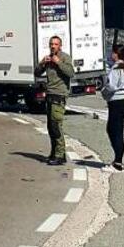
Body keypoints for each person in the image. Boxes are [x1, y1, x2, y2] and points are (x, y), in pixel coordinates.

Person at [35, 35, 74, 165]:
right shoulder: (48, 59)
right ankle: (54, 152)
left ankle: (60, 154)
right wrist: (42, 64)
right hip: (50, 94)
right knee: (51, 126)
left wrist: (58, 62)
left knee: (56, 125)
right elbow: (37, 73)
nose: (53, 46)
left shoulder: (64, 57)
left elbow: (71, 73)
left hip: (59, 95)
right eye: (51, 44)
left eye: (56, 44)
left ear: (60, 46)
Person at [102, 43, 124, 171]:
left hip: (118, 100)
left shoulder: (116, 69)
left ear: (116, 54)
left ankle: (117, 162)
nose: (111, 55)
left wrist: (104, 91)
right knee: (117, 129)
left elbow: (112, 86)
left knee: (113, 130)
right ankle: (118, 160)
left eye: (113, 53)